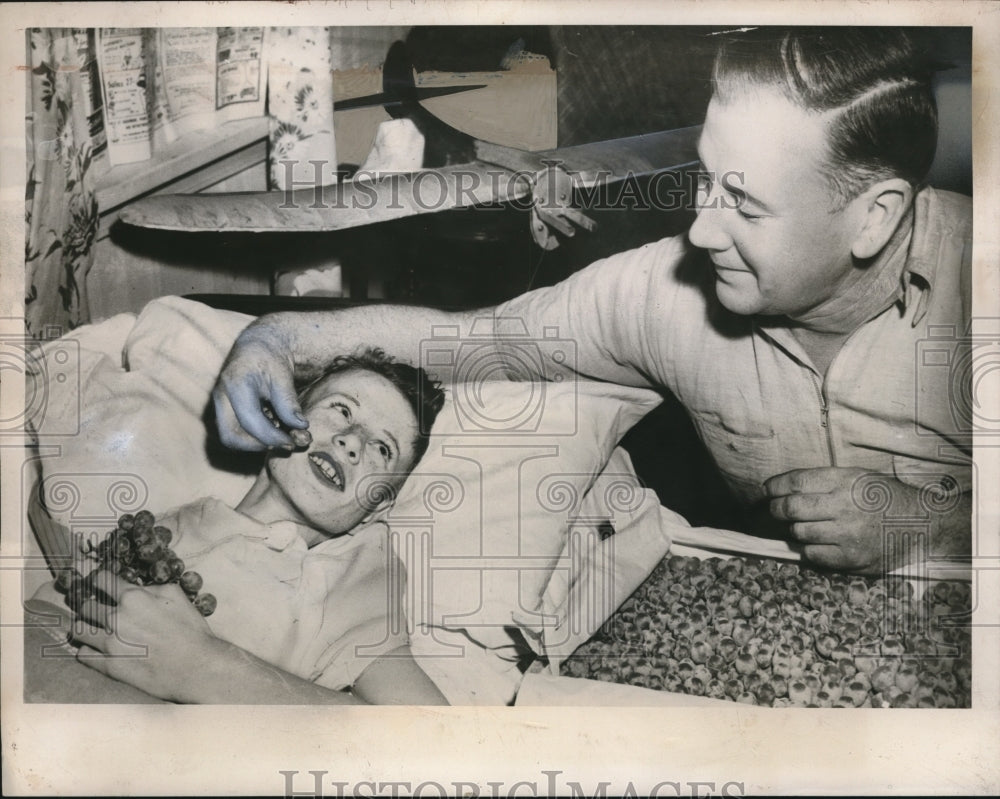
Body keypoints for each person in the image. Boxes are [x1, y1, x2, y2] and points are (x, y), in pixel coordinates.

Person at [210, 28, 971, 577]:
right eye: (705, 179)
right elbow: (477, 341)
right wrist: (281, 337)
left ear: (874, 218)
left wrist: (935, 525)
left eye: (745, 203)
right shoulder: (668, 292)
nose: (701, 229)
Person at [43, 349, 449, 704]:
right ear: (280, 420)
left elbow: (430, 735)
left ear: (377, 507)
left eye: (383, 448)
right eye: (342, 410)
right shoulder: (176, 521)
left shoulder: (355, 575)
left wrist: (202, 666)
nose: (352, 441)